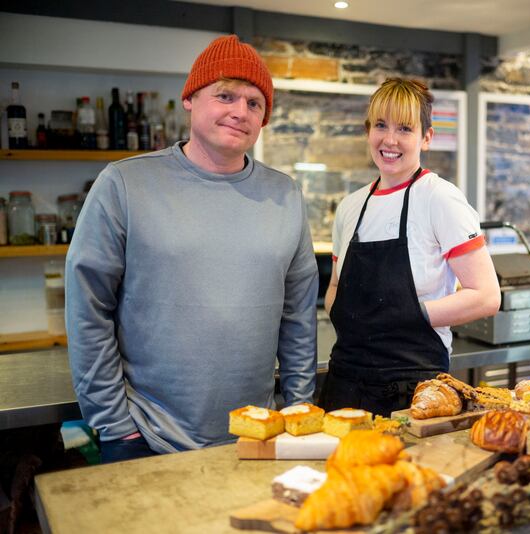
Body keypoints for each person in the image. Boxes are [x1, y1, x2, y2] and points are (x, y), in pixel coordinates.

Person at [65, 35, 318, 462]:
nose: (240, 111)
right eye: (226, 95)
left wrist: (297, 410)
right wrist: (114, 424)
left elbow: (298, 316)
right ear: (190, 98)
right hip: (145, 437)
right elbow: (88, 307)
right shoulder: (125, 183)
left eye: (255, 103)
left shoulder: (285, 194)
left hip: (257, 434)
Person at [319, 78, 501, 417]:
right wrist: (348, 316)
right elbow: (334, 287)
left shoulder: (438, 197)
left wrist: (410, 317)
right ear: (367, 131)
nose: (390, 140)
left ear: (426, 137)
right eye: (381, 126)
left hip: (414, 391)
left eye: (405, 128)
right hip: (345, 383)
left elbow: (487, 296)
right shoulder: (350, 207)